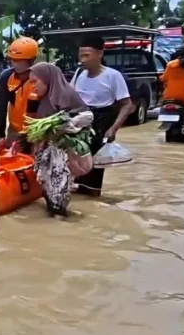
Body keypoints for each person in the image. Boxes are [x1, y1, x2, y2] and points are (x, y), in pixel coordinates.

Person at [70, 36, 135, 197]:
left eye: (87, 55)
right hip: (80, 121)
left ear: (100, 54)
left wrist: (113, 129)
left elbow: (127, 104)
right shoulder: (79, 73)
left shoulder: (113, 76)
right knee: (78, 158)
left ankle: (92, 195)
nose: (82, 60)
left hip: (101, 122)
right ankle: (80, 193)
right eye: (80, 56)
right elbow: (69, 96)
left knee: (95, 164)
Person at [28, 63, 93, 217]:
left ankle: (59, 218)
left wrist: (67, 125)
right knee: (47, 185)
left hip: (64, 152)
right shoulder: (43, 100)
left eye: (35, 82)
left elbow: (87, 117)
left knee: (59, 187)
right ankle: (54, 215)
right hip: (47, 151)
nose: (33, 87)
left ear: (47, 79)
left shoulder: (66, 95)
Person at [0, 36, 41, 153]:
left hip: (37, 133)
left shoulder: (42, 78)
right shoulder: (6, 77)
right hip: (14, 131)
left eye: (19, 60)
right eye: (12, 59)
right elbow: (1, 106)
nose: (14, 64)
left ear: (31, 60)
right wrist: (1, 134)